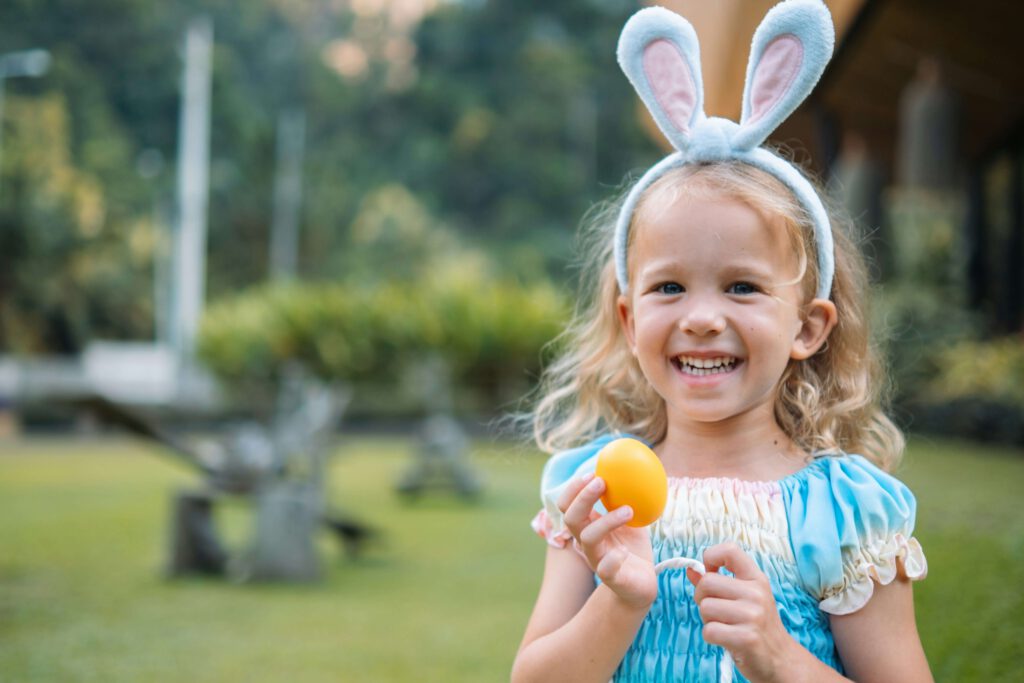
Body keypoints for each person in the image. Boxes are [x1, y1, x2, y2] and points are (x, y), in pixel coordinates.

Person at [511, 3, 932, 682]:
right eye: (669, 287)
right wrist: (620, 601)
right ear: (628, 319)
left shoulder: (840, 512)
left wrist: (778, 653)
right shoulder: (597, 491)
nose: (702, 317)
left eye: (741, 287)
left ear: (808, 327)